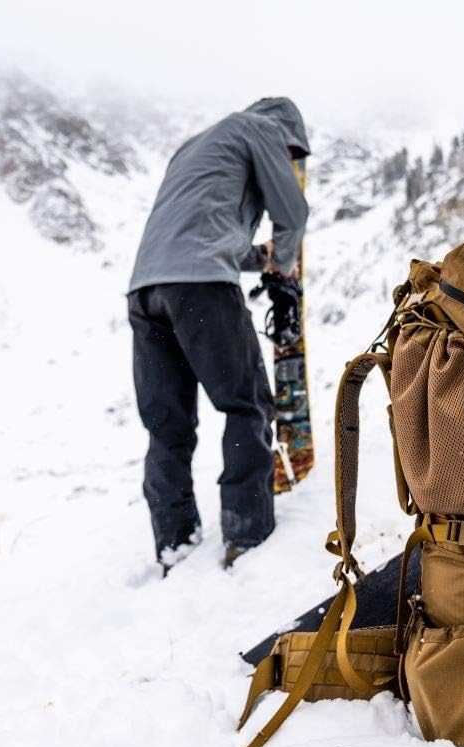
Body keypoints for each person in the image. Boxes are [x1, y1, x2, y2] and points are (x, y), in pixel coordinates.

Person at [128, 97, 310, 574]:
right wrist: (284, 269)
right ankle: (246, 535)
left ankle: (175, 544)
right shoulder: (260, 129)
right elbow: (292, 213)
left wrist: (261, 258)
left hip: (146, 290)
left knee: (167, 425)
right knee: (246, 405)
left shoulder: (194, 148)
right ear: (289, 137)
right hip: (202, 288)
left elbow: (202, 233)